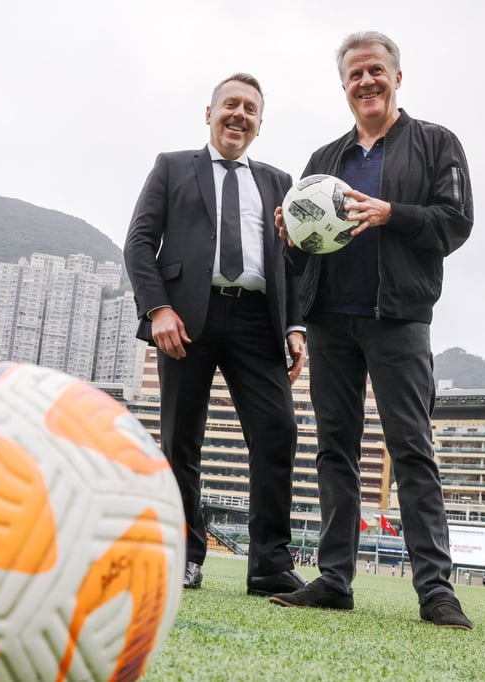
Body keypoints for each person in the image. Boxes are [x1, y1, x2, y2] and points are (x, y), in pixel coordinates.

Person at [269, 31, 474, 631]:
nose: (367, 82)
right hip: (331, 322)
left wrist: (392, 214)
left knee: (411, 451)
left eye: (376, 71)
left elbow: (456, 223)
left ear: (397, 77)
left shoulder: (436, 143)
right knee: (335, 452)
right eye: (355, 74)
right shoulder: (322, 162)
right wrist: (290, 236)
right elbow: (299, 258)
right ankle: (335, 580)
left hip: (400, 320)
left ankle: (435, 591)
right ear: (344, 86)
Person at [124, 73, 307, 596]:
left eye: (250, 108)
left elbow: (293, 262)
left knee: (278, 434)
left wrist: (295, 325)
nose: (239, 115)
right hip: (184, 320)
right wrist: (158, 308)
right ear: (209, 113)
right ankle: (186, 554)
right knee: (181, 439)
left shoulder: (278, 181)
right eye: (230, 104)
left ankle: (270, 563)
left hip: (257, 321)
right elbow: (139, 243)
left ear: (259, 123)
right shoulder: (172, 166)